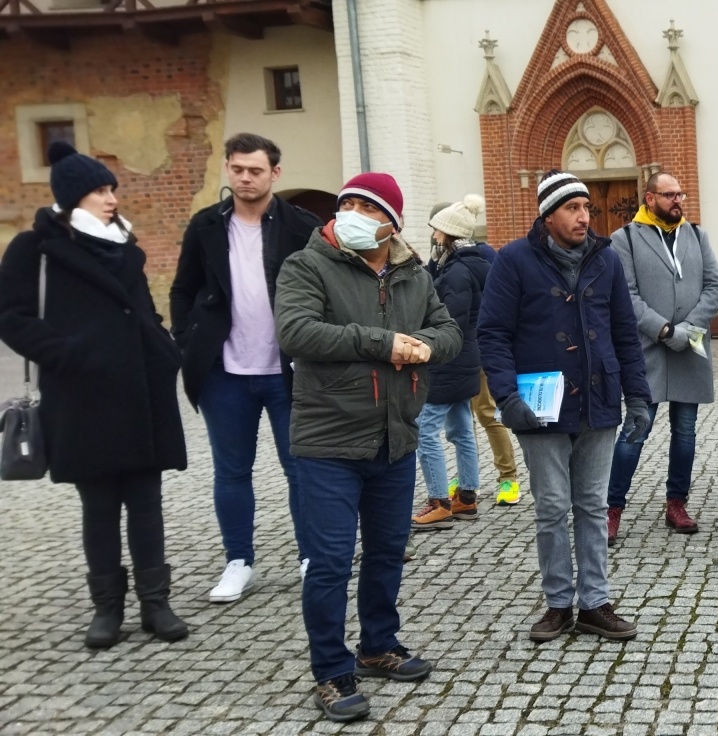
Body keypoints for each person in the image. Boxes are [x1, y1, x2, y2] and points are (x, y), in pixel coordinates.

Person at [274, 173, 462, 722]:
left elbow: (449, 331)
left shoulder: (413, 275)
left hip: (395, 435)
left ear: (392, 223)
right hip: (328, 440)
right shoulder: (307, 265)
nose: (350, 212)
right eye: (346, 203)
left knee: (386, 552)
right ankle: (332, 671)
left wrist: (422, 346)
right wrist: (384, 343)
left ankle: (378, 644)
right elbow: (297, 332)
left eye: (365, 205)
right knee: (330, 561)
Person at [0, 142, 189, 649]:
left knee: (147, 503)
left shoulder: (122, 243)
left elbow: (144, 308)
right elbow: (11, 318)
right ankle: (107, 610)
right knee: (99, 506)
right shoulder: (32, 249)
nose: (111, 199)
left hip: (141, 391)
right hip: (81, 396)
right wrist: (67, 355)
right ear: (71, 196)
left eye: (111, 190)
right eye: (100, 190)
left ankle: (156, 603)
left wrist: (164, 348)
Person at [478, 171, 651, 643]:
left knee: (593, 505)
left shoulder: (606, 259)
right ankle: (558, 603)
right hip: (540, 405)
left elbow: (624, 333)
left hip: (598, 398)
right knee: (552, 507)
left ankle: (595, 602)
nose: (583, 217)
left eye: (587, 209)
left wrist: (637, 395)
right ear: (548, 214)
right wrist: (506, 397)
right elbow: (492, 333)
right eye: (573, 208)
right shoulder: (512, 260)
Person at [170, 133, 321, 602]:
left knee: (300, 468)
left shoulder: (301, 225)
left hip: (286, 371)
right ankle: (238, 561)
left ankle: (310, 556)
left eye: (255, 170)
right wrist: (187, 340)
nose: (245, 177)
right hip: (224, 373)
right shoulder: (205, 226)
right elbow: (182, 289)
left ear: (275, 173)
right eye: (237, 169)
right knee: (231, 471)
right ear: (228, 169)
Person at [606, 173, 718, 542]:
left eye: (680, 194)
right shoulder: (624, 238)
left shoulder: (697, 235)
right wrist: (663, 330)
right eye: (669, 195)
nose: (678, 200)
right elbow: (625, 295)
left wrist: (688, 328)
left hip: (690, 350)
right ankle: (611, 508)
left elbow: (715, 286)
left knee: (685, 432)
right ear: (650, 197)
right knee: (636, 429)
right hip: (647, 350)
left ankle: (677, 503)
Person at [429, 200, 523, 508]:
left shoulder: (463, 265)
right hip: (476, 348)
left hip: (473, 349)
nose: (433, 236)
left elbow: (455, 316)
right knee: (463, 417)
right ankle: (467, 480)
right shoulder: (473, 257)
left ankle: (507, 477)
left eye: (436, 229)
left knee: (485, 412)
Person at [411, 195, 493, 530]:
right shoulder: (468, 263)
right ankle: (467, 497)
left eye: (436, 232)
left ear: (448, 233)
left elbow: (450, 322)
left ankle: (439, 501)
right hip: (466, 357)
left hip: (449, 358)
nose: (433, 236)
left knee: (425, 431)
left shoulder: (458, 272)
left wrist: (424, 343)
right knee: (461, 428)